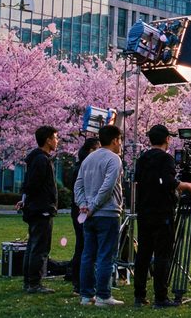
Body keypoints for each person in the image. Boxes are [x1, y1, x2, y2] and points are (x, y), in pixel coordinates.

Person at [133, 125, 191, 308]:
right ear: (166, 139)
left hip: (144, 212)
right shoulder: (166, 158)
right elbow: (169, 182)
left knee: (143, 254)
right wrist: (187, 186)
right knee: (162, 255)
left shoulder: (142, 158)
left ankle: (140, 295)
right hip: (162, 213)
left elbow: (139, 180)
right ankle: (161, 297)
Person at [75, 125, 125, 307]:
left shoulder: (88, 159)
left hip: (88, 214)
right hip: (107, 213)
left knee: (88, 255)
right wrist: (94, 206)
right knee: (105, 255)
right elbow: (108, 186)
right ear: (114, 140)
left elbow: (78, 185)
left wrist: (83, 205)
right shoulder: (114, 159)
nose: (121, 144)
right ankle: (104, 296)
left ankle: (86, 295)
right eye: (120, 140)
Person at [18, 126, 60, 294]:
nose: (57, 141)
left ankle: (29, 281)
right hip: (41, 208)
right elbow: (34, 184)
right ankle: (34, 283)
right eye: (55, 137)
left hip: (36, 207)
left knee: (33, 246)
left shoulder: (36, 159)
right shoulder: (42, 160)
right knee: (40, 247)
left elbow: (29, 185)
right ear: (48, 140)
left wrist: (25, 200)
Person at [65, 138, 100, 295]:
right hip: (82, 210)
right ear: (90, 151)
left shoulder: (84, 167)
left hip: (81, 209)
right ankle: (79, 283)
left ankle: (80, 282)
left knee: (83, 245)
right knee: (84, 246)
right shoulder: (83, 168)